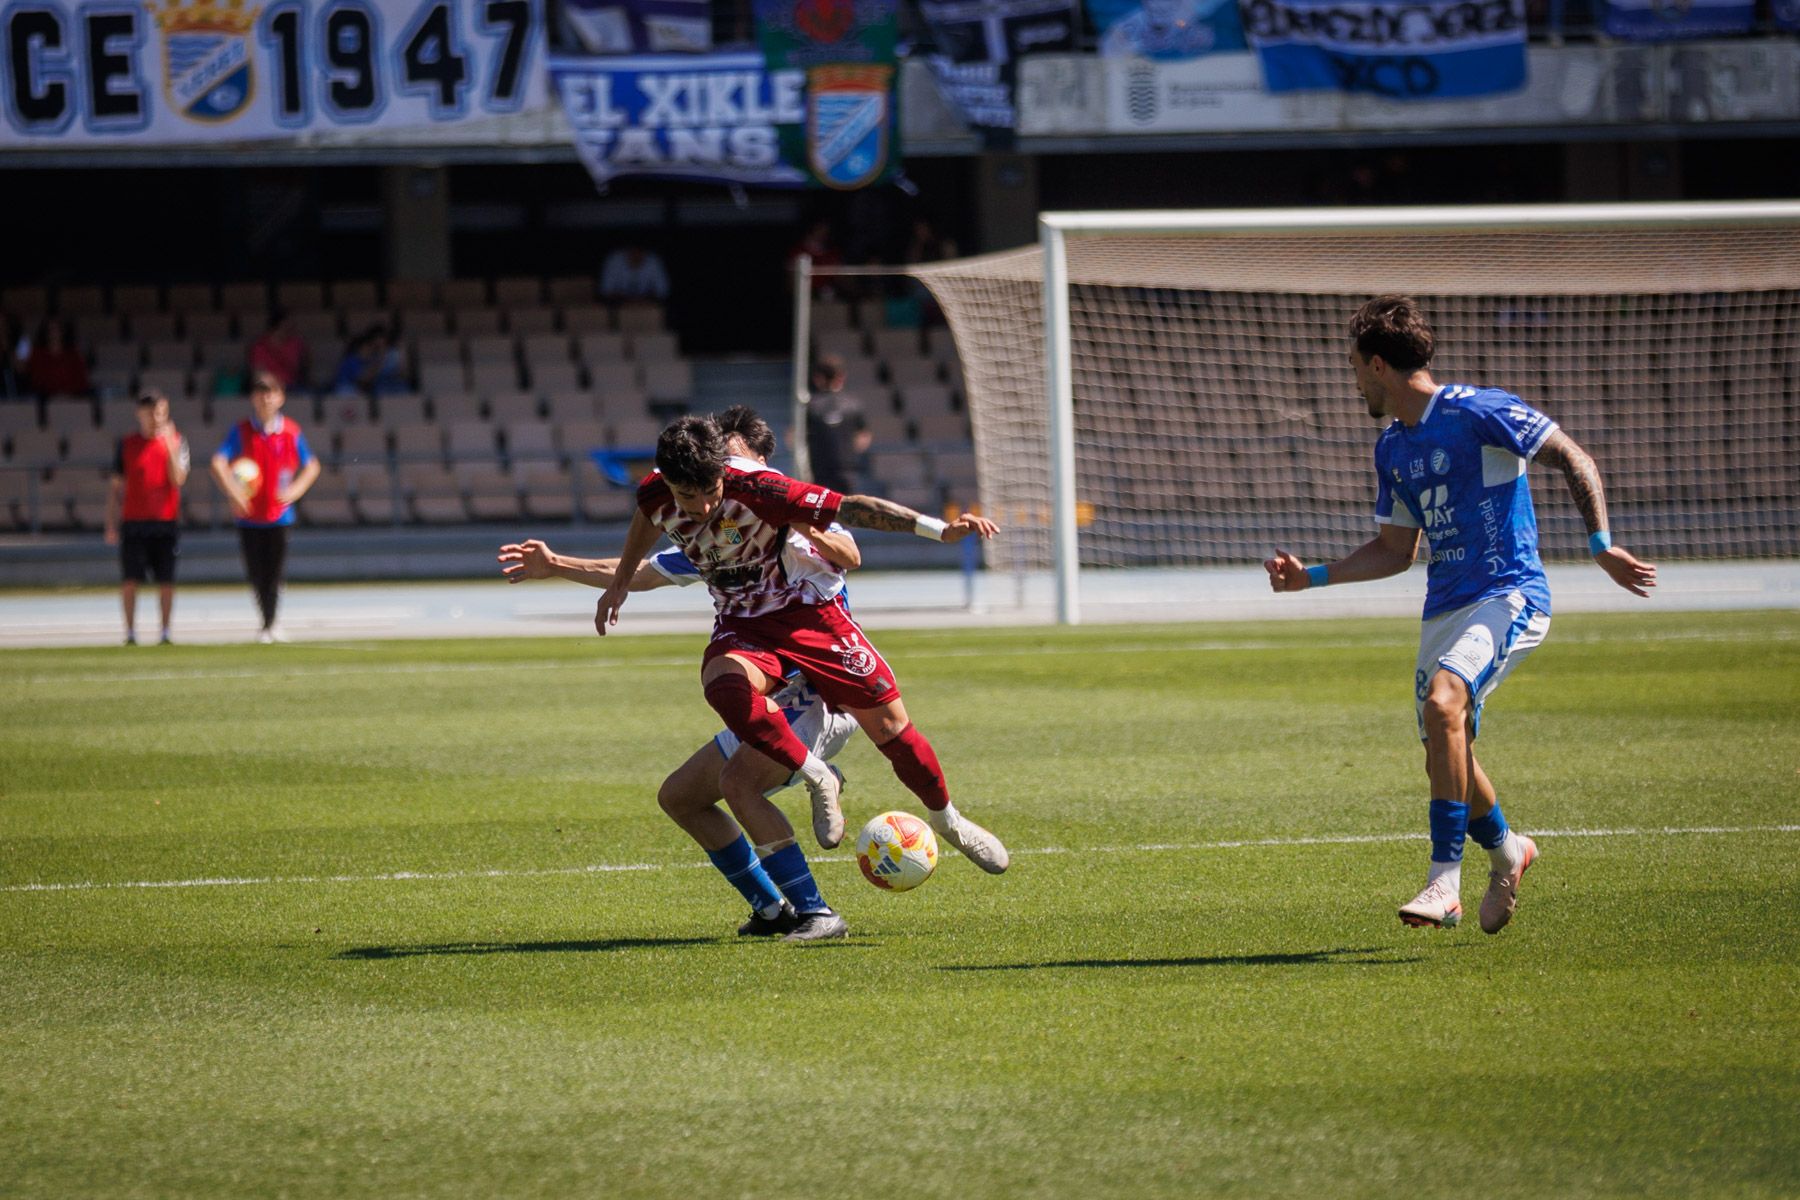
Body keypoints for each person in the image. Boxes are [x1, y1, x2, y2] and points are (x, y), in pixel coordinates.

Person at [1264, 295, 1657, 934]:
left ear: (1379, 365)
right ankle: (1509, 852)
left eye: (1357, 369)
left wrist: (1600, 545)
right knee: (1446, 753)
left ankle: (1443, 880)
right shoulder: (1392, 447)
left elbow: (1573, 457)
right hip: (1444, 607)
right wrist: (1310, 578)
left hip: (1509, 594)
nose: (1355, 382)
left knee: (1444, 704)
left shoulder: (1481, 411)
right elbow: (1397, 550)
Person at [498, 408, 862, 941]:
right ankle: (771, 909)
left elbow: (851, 551)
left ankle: (816, 913)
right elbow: (646, 571)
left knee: (738, 784)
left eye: (734, 458)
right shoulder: (724, 529)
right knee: (681, 797)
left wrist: (801, 526)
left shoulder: (785, 509)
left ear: (756, 461)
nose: (729, 470)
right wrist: (556, 565)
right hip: (767, 694)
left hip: (818, 690)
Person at [595, 413, 1010, 877]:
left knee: (892, 729)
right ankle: (817, 776)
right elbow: (645, 520)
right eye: (686, 495)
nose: (701, 506)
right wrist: (620, 583)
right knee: (722, 684)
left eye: (709, 491)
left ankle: (948, 820)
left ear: (723, 472)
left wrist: (939, 530)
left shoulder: (764, 490)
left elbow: (853, 509)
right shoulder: (656, 491)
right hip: (745, 626)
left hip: (809, 618)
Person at [210, 371, 321, 643]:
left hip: (280, 515)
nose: (265, 399)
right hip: (248, 515)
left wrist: (295, 490)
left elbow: (312, 465)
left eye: (270, 393)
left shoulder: (291, 432)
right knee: (255, 572)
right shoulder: (241, 431)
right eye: (260, 393)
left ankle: (270, 624)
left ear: (280, 398)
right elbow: (218, 462)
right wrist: (234, 492)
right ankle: (267, 622)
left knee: (274, 571)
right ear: (252, 398)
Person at [105, 391, 190, 645]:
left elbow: (179, 479)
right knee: (130, 580)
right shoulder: (127, 444)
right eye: (151, 413)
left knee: (166, 581)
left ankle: (165, 632)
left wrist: (170, 448)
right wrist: (110, 522)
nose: (156, 418)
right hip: (134, 521)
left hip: (165, 521)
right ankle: (130, 633)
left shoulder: (177, 441)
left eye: (161, 413)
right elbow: (116, 488)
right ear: (139, 414)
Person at [805, 354, 871, 495]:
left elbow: (793, 438)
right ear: (841, 377)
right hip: (847, 470)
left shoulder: (810, 406)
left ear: (818, 379)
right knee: (846, 510)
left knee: (820, 512)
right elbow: (864, 438)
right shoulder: (853, 404)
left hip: (819, 471)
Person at [330, 327, 408, 398]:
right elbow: (364, 379)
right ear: (359, 349)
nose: (370, 351)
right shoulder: (352, 360)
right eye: (368, 348)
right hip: (345, 392)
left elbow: (403, 374)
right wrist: (380, 359)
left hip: (391, 387)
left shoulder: (366, 360)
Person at [26, 319, 89, 398]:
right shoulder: (37, 354)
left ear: (63, 332)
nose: (54, 333)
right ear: (46, 333)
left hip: (72, 398)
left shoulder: (73, 354)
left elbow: (81, 380)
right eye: (51, 330)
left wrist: (68, 394)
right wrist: (53, 394)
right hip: (45, 399)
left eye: (57, 329)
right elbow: (36, 380)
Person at [248, 311, 307, 390]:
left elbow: (300, 370)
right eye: (287, 324)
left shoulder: (296, 344)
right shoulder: (260, 347)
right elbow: (258, 375)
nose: (291, 327)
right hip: (269, 389)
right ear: (278, 325)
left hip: (293, 388)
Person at [598, 245, 670, 303]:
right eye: (632, 252)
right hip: (619, 305)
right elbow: (606, 290)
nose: (635, 255)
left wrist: (642, 300)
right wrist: (628, 300)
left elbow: (662, 291)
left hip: (646, 305)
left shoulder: (654, 262)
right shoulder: (614, 261)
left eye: (639, 252)